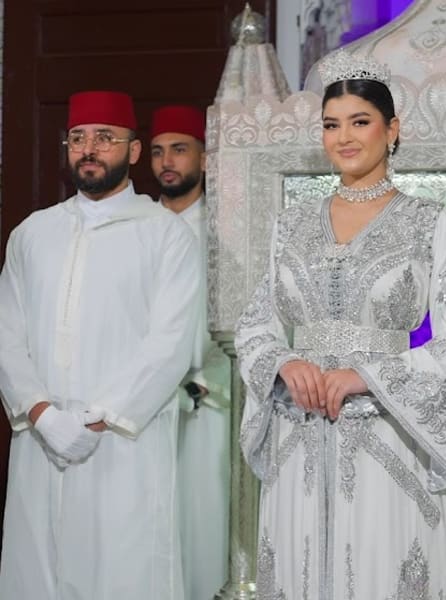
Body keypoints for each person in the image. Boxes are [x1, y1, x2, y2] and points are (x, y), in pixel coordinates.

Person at [235, 50, 446, 598]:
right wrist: (284, 362)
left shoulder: (426, 222)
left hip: (387, 434)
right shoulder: (291, 224)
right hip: (299, 433)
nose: (344, 138)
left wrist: (368, 376)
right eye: (331, 125)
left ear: (392, 130)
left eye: (359, 122)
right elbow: (256, 325)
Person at [0, 90, 200, 599]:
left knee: (123, 569)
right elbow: (7, 333)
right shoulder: (32, 234)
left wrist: (96, 419)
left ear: (133, 150)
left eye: (105, 138)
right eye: (78, 138)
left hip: (121, 441)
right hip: (41, 437)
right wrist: (42, 413)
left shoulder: (166, 235)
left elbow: (170, 343)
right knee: (37, 569)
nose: (89, 149)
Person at [150, 104, 231, 599]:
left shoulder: (226, 232)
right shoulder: (136, 227)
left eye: (179, 150)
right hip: (139, 404)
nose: (167, 162)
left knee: (201, 515)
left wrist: (204, 384)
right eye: (158, 151)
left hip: (206, 399)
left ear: (203, 159)